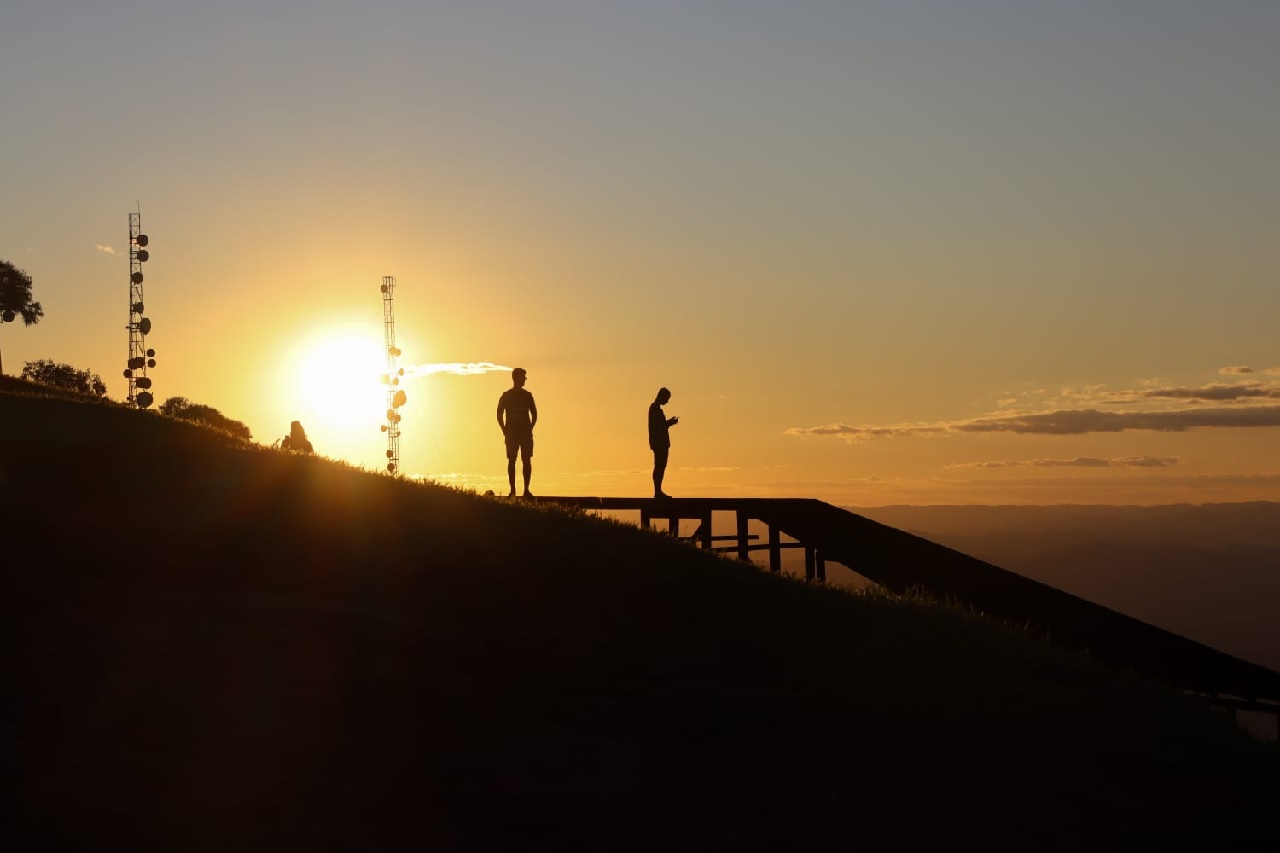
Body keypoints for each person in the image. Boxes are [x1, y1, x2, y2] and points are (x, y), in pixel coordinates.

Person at [496, 367, 538, 498]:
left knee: (526, 460)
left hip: (524, 433)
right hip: (513, 433)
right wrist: (504, 429)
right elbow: (499, 414)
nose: (524, 380)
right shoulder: (506, 396)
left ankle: (526, 490)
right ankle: (513, 490)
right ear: (516, 378)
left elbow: (535, 413)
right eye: (523, 377)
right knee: (512, 460)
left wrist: (530, 427)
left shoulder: (527, 396)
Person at [648, 387, 679, 498]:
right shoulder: (655, 409)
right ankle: (657, 491)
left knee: (660, 466)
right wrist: (670, 422)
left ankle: (658, 491)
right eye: (666, 398)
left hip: (660, 443)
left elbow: (660, 426)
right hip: (659, 444)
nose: (667, 401)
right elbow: (659, 427)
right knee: (659, 466)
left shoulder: (656, 409)